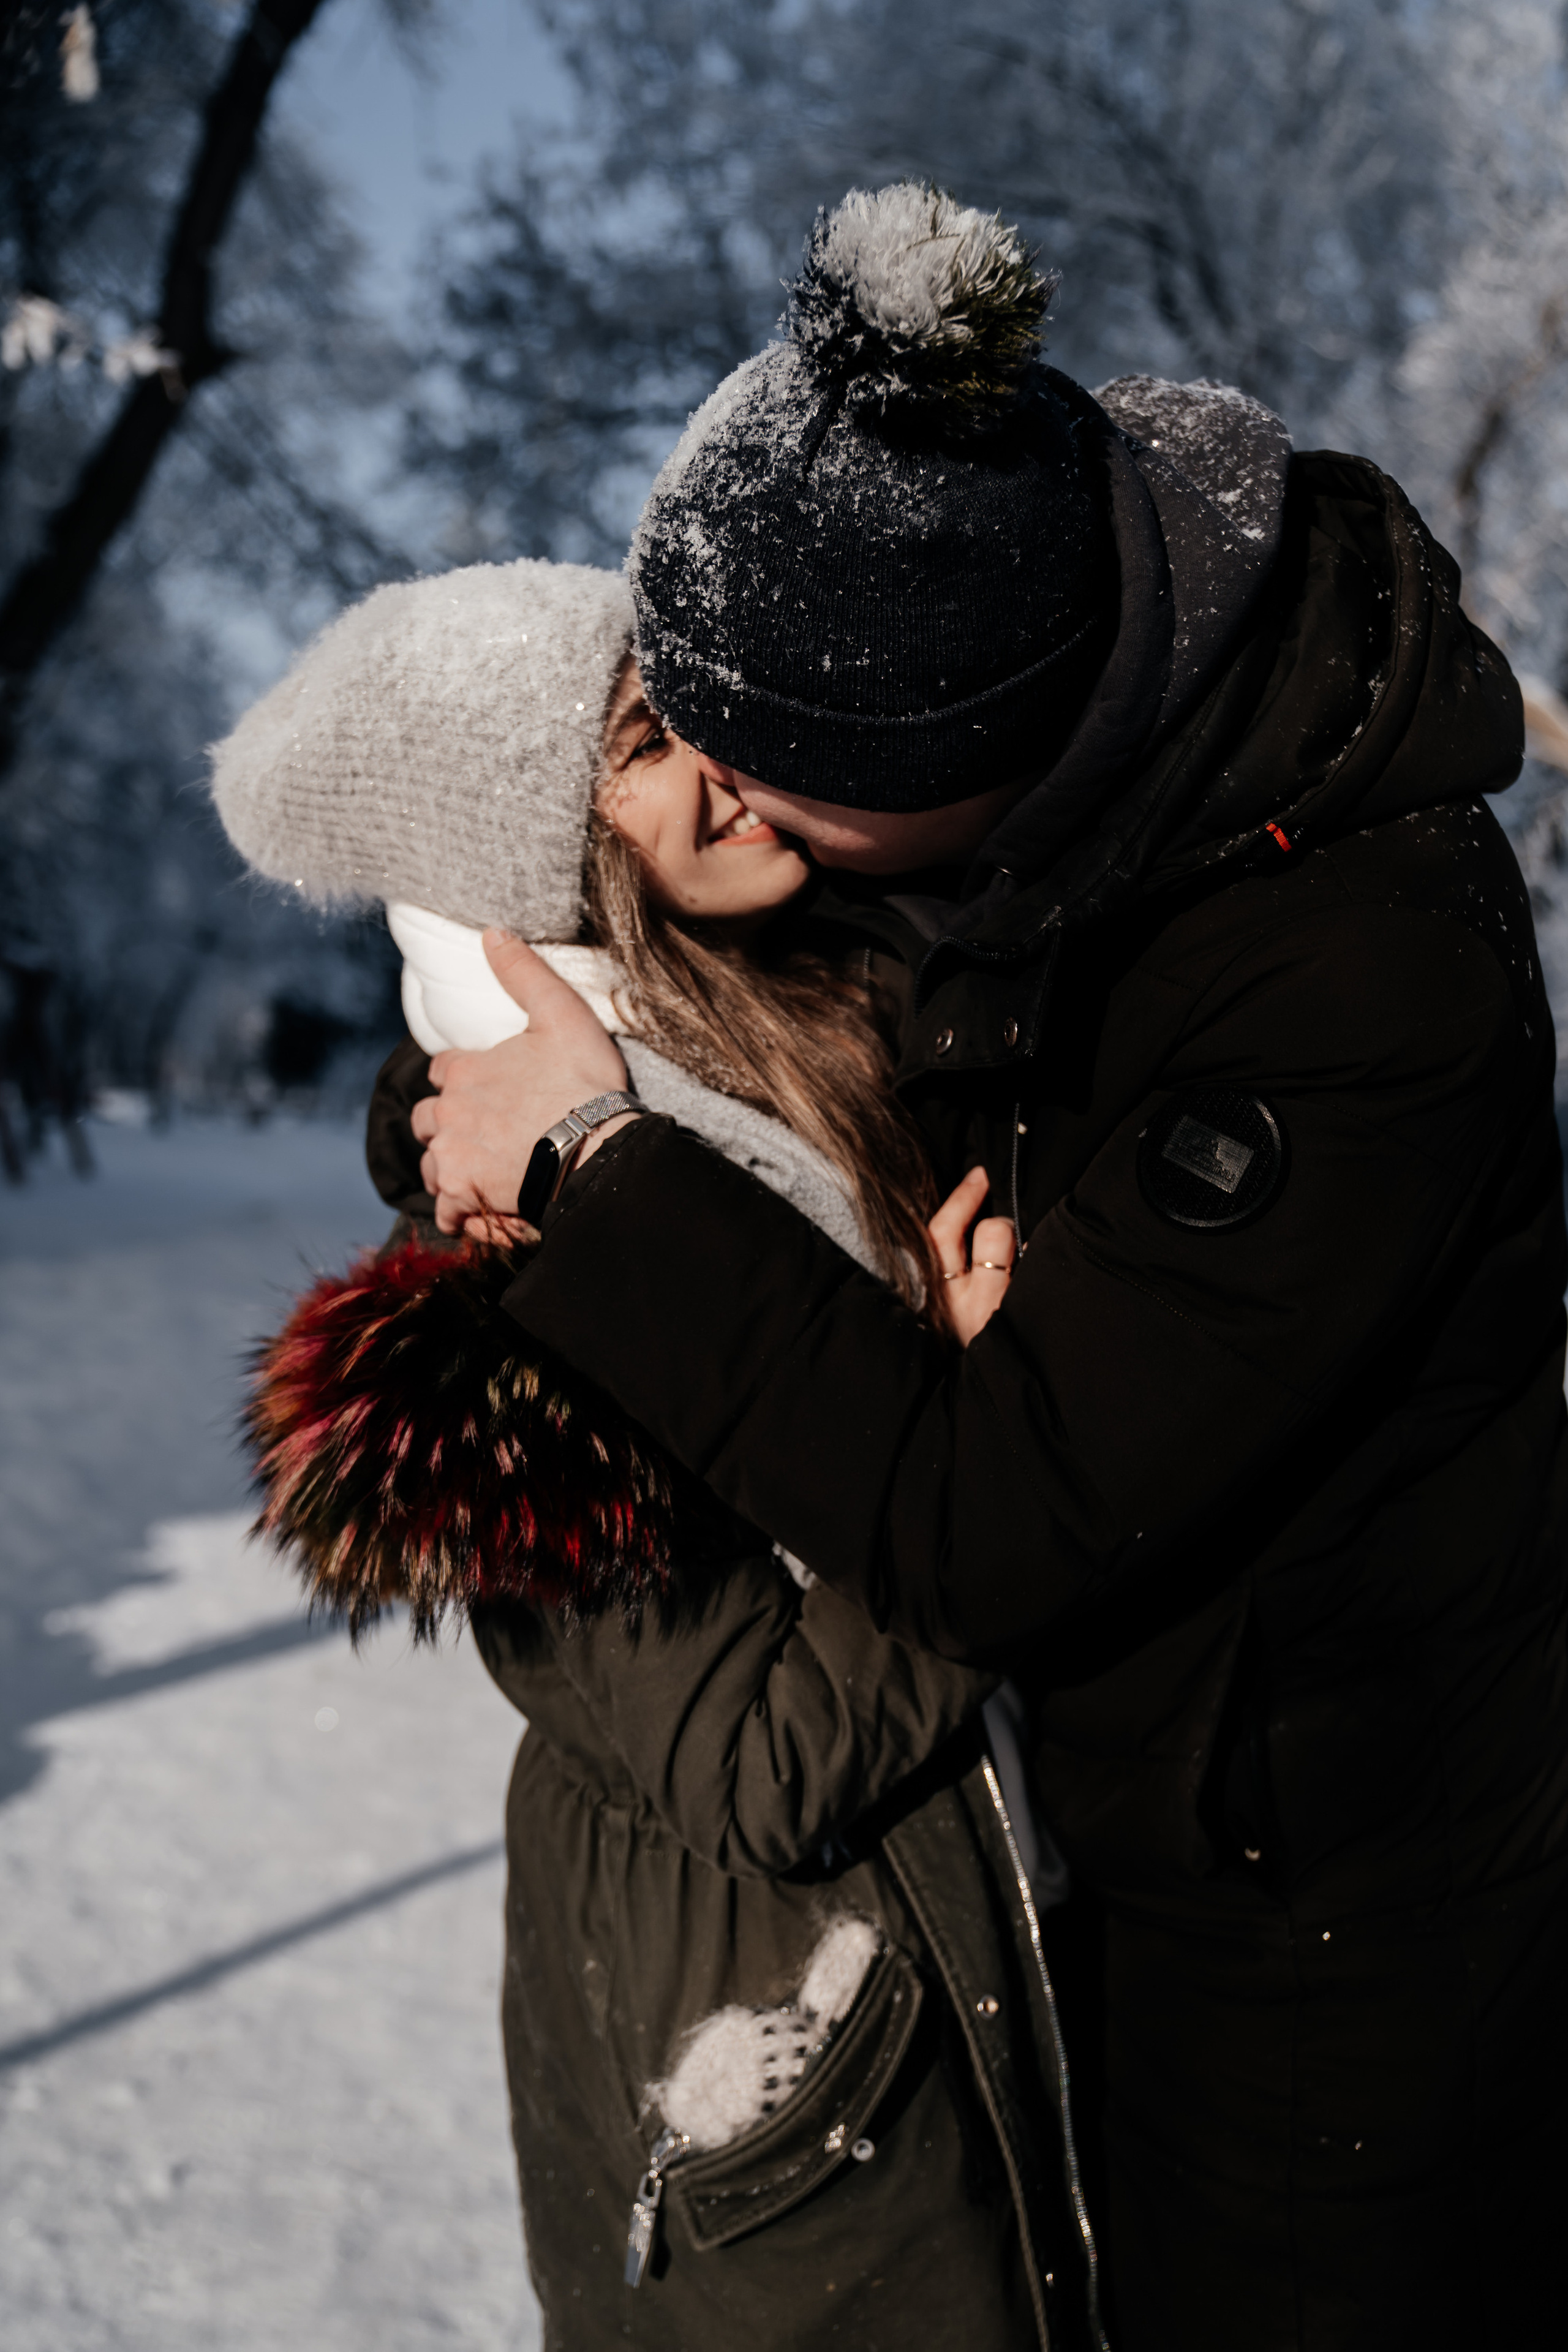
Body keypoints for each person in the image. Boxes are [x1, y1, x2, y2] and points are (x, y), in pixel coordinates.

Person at [407, 186, 1568, 2350]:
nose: (721, 814)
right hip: (1101, 1838)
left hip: (1321, 1935)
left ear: (956, 780)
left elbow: (990, 1521)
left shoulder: (1353, 969)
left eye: (760, 778)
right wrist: (468, 1088)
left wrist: (590, 1167)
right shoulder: (1019, 758)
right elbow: (666, 1006)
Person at [210, 556, 1105, 2351]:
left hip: (1000, 1962)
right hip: (796, 2072)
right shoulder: (512, 1312)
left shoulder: (825, 1038)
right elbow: (763, 1761)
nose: (726, 760)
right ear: (532, 871)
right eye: (641, 743)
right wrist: (964, 1433)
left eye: (700, 702)